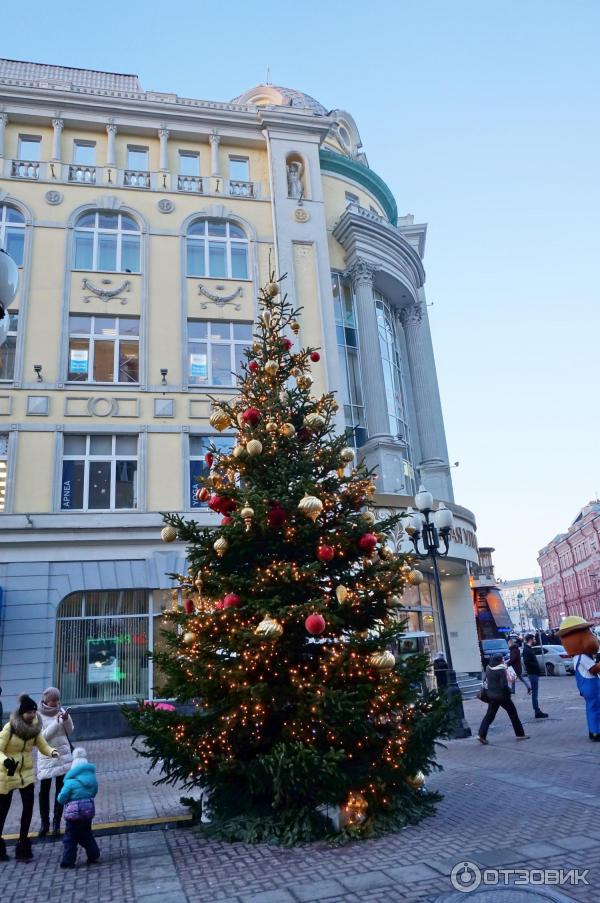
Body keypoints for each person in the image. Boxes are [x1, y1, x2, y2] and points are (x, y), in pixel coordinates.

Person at [0, 693, 58, 862]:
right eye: (29, 712)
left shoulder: (34, 729)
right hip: (7, 773)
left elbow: (42, 745)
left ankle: (23, 844)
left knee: (28, 809)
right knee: (2, 811)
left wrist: (52, 752)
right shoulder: (9, 728)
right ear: (21, 713)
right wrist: (5, 762)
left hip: (26, 774)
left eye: (34, 712)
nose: (32, 715)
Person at [37, 686, 74, 838]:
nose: (56, 703)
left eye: (57, 699)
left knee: (61, 791)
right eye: (53, 700)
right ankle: (44, 824)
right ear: (46, 700)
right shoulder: (38, 715)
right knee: (44, 792)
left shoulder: (61, 710)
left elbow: (70, 730)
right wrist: (57, 723)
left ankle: (56, 823)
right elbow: (41, 738)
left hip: (63, 757)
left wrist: (65, 720)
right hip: (46, 757)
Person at [57, 747, 100, 868]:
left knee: (70, 838)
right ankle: (93, 854)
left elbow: (62, 798)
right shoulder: (92, 780)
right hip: (87, 812)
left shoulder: (70, 782)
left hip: (73, 815)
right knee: (86, 834)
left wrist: (60, 798)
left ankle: (68, 861)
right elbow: (94, 793)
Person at [477, 654, 529, 744]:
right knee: (513, 713)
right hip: (502, 697)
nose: (503, 661)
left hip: (491, 696)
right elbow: (503, 686)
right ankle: (520, 734)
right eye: (502, 659)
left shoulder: (488, 668)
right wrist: (509, 691)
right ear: (499, 661)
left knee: (489, 716)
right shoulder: (501, 670)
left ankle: (481, 735)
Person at [522, 634, 549, 718]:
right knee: (535, 693)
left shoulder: (529, 648)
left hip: (534, 673)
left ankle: (537, 710)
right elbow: (526, 662)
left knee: (535, 692)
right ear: (530, 639)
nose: (535, 640)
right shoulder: (526, 649)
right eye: (534, 639)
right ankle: (537, 711)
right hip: (532, 673)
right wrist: (535, 666)